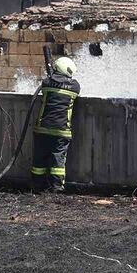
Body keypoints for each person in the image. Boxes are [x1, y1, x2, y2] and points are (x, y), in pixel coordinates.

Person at [32, 57, 81, 193]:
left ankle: (37, 187)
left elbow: (48, 84)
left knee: (39, 159)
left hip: (42, 128)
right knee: (58, 159)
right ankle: (57, 187)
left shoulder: (46, 83)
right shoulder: (75, 86)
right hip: (61, 130)